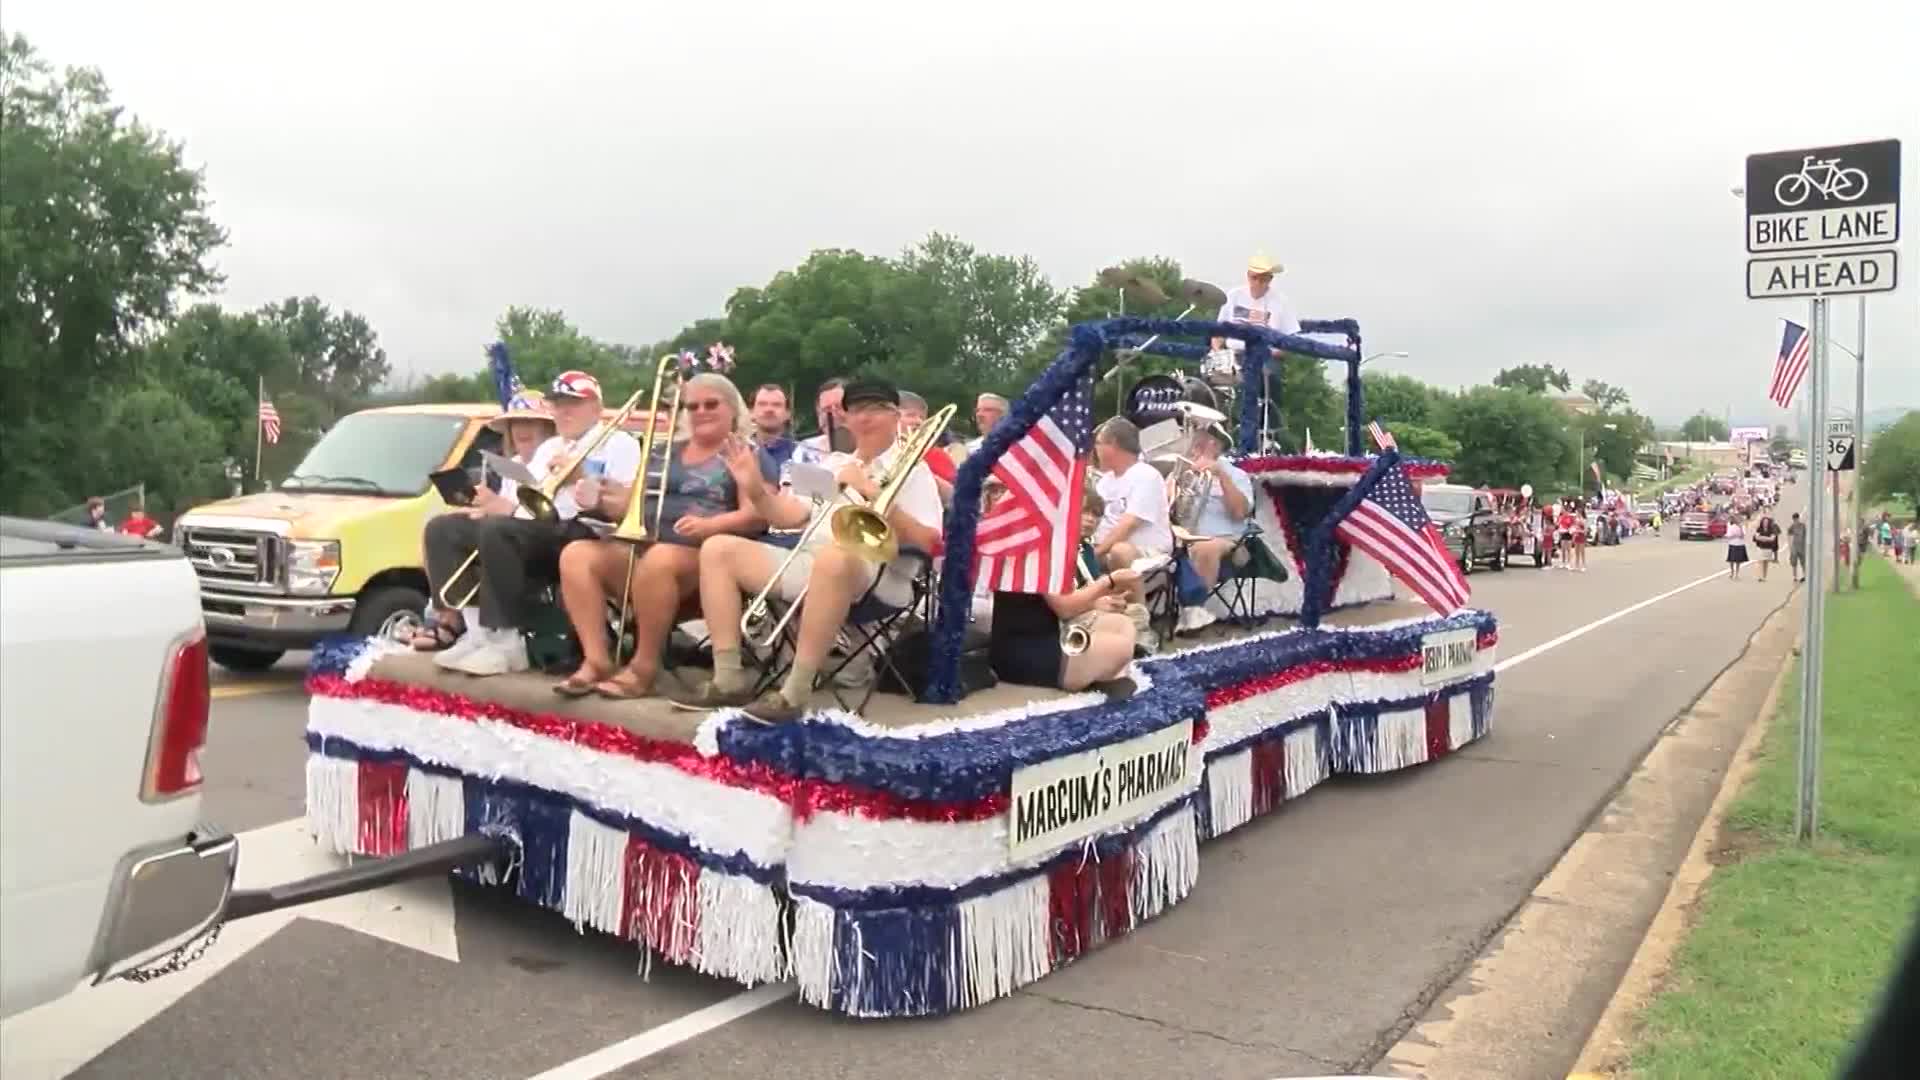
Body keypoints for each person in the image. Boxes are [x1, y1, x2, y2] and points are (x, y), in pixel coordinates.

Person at [671, 376, 943, 723]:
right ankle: (727, 679)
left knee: (834, 558)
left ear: (895, 416)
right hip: (814, 561)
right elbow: (788, 516)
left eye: (877, 408)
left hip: (881, 574)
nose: (865, 417)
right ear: (846, 419)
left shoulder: (915, 471)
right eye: (857, 409)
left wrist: (874, 494)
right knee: (717, 549)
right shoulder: (833, 464)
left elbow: (929, 543)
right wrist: (754, 488)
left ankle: (795, 693)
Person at [551, 374, 775, 699]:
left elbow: (758, 515)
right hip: (647, 549)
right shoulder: (663, 451)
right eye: (692, 406)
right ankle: (596, 660)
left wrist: (711, 525)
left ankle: (645, 667)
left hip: (709, 560)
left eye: (711, 404)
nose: (700, 412)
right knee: (577, 554)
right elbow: (632, 505)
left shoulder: (746, 452)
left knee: (659, 559)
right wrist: (599, 495)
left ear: (733, 408)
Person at [423, 371, 641, 676]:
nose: (563, 412)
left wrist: (580, 476)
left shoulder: (620, 444)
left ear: (596, 407)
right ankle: (478, 635)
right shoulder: (550, 447)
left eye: (573, 404)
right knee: (443, 529)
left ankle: (506, 642)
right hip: (540, 528)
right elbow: (529, 502)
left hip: (587, 532)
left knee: (499, 530)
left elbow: (623, 507)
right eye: (558, 404)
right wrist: (495, 507)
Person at [411, 391, 557, 652]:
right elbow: (501, 508)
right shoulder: (512, 465)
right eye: (516, 423)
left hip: (543, 539)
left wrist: (502, 509)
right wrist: (482, 508)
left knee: (494, 531)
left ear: (547, 428)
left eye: (530, 422)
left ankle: (499, 638)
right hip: (505, 531)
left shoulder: (556, 459)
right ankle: (459, 623)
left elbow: (551, 514)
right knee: (441, 528)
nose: (522, 430)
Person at [1170, 423, 1253, 632]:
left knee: (1205, 547)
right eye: (1195, 439)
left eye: (1201, 440)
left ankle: (1193, 612)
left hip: (1224, 539)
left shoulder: (1236, 475)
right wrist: (1174, 482)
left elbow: (1240, 512)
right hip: (1181, 536)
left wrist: (1222, 477)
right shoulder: (1184, 470)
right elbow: (1166, 508)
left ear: (1215, 445)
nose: (1194, 444)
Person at [1092, 417, 1174, 589]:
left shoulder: (1146, 475)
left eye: (1098, 443)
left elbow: (1129, 524)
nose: (1095, 448)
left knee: (1119, 551)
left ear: (1113, 444)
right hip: (1104, 549)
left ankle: (1132, 604)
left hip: (1147, 552)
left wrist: (1097, 552)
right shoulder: (1105, 481)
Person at [1210, 252, 1301, 354]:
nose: (1257, 283)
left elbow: (1290, 338)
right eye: (1254, 278)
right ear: (1248, 276)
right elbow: (1219, 332)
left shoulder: (1280, 301)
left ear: (1270, 279)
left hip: (1265, 355)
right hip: (1233, 352)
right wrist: (1218, 352)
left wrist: (1277, 352)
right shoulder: (1234, 295)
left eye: (1263, 279)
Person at [791, 377, 850, 466]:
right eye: (826, 409)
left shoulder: (869, 447)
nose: (833, 414)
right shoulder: (806, 450)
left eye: (839, 407)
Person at [747, 383, 796, 468]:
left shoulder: (800, 454)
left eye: (776, 405)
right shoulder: (738, 452)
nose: (769, 409)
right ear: (751, 412)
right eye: (762, 404)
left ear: (788, 414)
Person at [1752, 510, 1780, 582]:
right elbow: (1756, 537)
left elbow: (1772, 538)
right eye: (1764, 522)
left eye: (1766, 522)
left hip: (1768, 548)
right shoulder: (1759, 529)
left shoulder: (1771, 529)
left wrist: (1763, 538)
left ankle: (1764, 576)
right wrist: (1766, 538)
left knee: (1766, 563)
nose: (1765, 523)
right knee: (1760, 561)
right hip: (1760, 547)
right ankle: (1760, 576)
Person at [1725, 513, 1749, 580]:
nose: (1736, 520)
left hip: (1740, 544)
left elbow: (1743, 536)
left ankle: (1737, 574)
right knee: (1731, 560)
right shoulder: (1730, 525)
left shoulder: (1742, 526)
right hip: (1732, 543)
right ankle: (1732, 572)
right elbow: (1728, 534)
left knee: (1738, 561)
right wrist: (1731, 535)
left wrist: (1740, 528)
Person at [1787, 512, 1807, 583]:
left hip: (1802, 546)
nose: (1796, 521)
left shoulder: (1803, 526)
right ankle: (1795, 577)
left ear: (1798, 518)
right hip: (1794, 547)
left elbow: (1806, 535)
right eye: (1794, 520)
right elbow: (1789, 536)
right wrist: (1790, 546)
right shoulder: (1792, 527)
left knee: (1803, 562)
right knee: (1794, 563)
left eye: (1797, 519)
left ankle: (1805, 575)